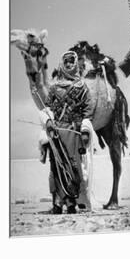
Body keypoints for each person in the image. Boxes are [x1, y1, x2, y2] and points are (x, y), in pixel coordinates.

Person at [38, 51, 94, 214]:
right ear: (62, 64)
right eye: (66, 61)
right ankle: (57, 202)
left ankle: (71, 202)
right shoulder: (54, 87)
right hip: (56, 132)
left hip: (73, 131)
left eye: (72, 61)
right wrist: (48, 121)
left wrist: (83, 128)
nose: (69, 64)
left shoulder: (82, 87)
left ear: (76, 63)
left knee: (73, 165)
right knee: (56, 166)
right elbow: (47, 107)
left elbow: (88, 109)